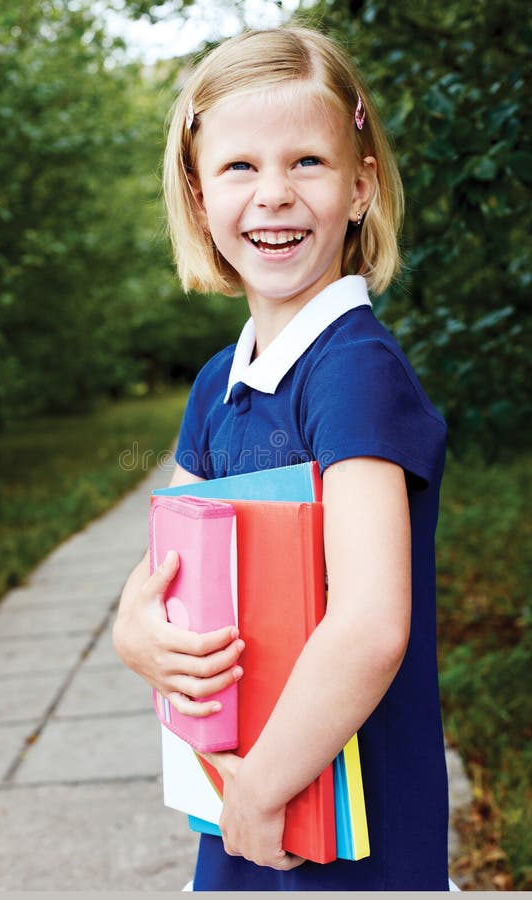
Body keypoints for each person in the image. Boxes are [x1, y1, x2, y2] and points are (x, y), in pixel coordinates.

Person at [113, 26, 450, 891]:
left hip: (348, 828)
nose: (274, 195)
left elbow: (372, 625)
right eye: (239, 168)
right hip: (244, 791)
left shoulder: (353, 374)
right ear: (196, 197)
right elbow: (164, 566)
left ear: (361, 185)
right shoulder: (219, 381)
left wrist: (260, 790)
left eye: (307, 162)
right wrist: (134, 631)